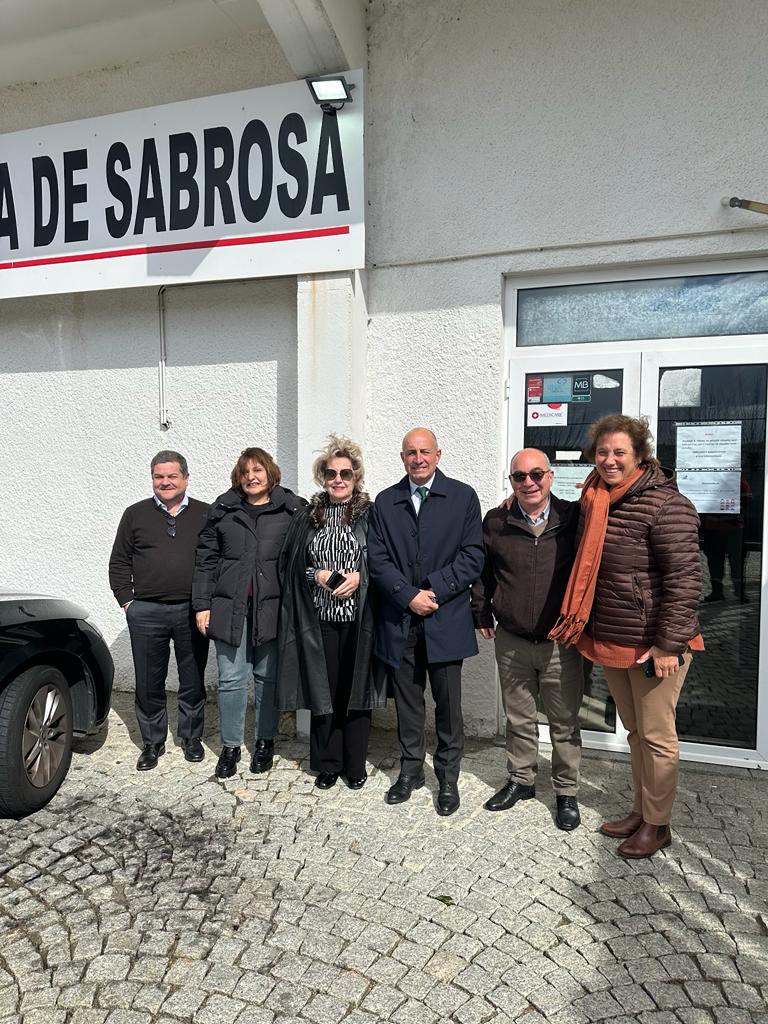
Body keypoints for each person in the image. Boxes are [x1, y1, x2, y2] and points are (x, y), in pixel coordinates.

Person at [550, 414, 703, 858]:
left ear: (639, 455)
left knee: (657, 737)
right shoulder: (595, 497)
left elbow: (685, 581)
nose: (609, 460)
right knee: (636, 733)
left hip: (655, 644)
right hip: (615, 638)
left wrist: (669, 645)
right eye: (602, 452)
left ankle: (658, 825)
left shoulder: (667, 504)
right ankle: (641, 811)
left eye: (619, 452)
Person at [368, 427, 484, 816]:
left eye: (424, 452)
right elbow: (377, 560)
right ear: (402, 458)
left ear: (438, 455)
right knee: (408, 703)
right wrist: (408, 595)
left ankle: (448, 777)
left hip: (445, 616)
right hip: (401, 619)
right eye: (410, 453)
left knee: (448, 705)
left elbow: (473, 555)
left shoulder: (463, 497)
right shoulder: (386, 501)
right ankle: (411, 770)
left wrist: (434, 590)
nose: (418, 459)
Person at [471, 448, 584, 830]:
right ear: (511, 482)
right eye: (519, 476)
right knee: (519, 718)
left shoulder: (572, 518)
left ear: (550, 476)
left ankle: (566, 791)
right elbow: (483, 573)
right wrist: (480, 612)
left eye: (536, 474)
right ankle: (521, 780)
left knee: (564, 722)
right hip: (513, 639)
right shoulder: (496, 521)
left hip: (559, 642)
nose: (529, 483)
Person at [277, 435, 386, 789]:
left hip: (360, 618)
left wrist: (360, 577)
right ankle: (327, 763)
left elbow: (387, 562)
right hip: (319, 619)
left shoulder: (372, 516)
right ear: (322, 477)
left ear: (356, 477)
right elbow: (291, 565)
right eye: (331, 473)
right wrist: (318, 576)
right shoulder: (307, 518)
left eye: (345, 473)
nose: (338, 479)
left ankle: (354, 764)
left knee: (354, 692)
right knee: (323, 691)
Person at [192, 448, 305, 779]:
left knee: (267, 678)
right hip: (229, 608)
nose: (251, 477)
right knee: (231, 678)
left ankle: (265, 742)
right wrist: (202, 605)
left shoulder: (291, 510)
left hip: (273, 607)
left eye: (258, 470)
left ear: (271, 473)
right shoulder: (223, 510)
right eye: (245, 472)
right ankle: (230, 746)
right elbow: (205, 560)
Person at [109, 450, 209, 771]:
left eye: (172, 476)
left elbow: (215, 561)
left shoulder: (206, 514)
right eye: (158, 476)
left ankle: (191, 737)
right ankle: (152, 742)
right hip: (147, 612)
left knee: (192, 678)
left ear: (186, 478)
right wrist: (128, 602)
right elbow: (119, 560)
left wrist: (208, 603)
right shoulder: (135, 514)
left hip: (192, 611)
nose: (165, 482)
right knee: (148, 680)